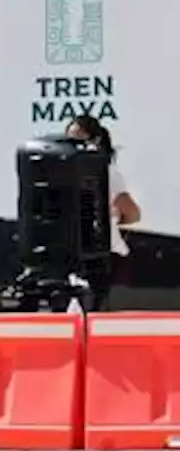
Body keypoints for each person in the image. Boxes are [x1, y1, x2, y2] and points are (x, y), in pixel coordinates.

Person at [66, 114, 141, 307]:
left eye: (79, 139)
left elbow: (133, 213)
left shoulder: (107, 173)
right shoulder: (64, 175)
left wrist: (111, 219)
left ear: (95, 140)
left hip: (106, 255)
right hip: (76, 253)